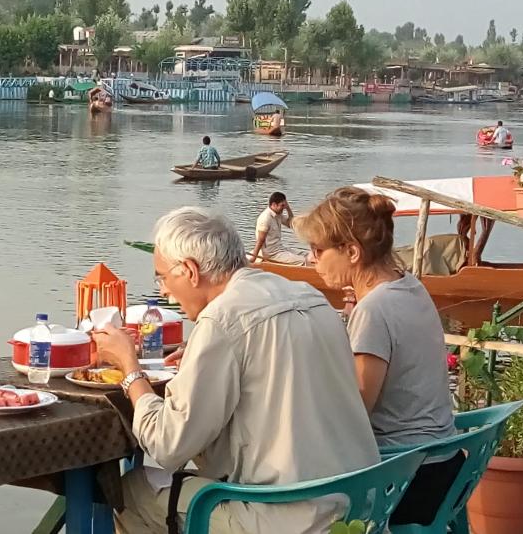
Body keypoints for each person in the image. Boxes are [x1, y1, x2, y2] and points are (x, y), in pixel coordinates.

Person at [93, 206, 379, 534]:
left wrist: (130, 367)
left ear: (189, 270)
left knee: (129, 491)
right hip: (359, 504)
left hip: (289, 517)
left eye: (162, 277)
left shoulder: (222, 320)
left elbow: (168, 445)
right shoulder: (308, 296)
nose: (163, 291)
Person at [293, 187, 459, 527]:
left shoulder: (374, 309)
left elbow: (355, 411)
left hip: (404, 478)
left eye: (317, 250)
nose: (312, 259)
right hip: (442, 464)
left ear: (351, 251)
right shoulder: (410, 286)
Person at [251, 192, 311, 265]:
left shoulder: (278, 214)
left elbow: (291, 224)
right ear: (274, 205)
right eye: (282, 205)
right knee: (304, 261)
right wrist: (254, 258)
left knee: (308, 255)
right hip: (272, 254)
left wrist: (288, 208)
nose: (284, 208)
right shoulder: (265, 218)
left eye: (285, 205)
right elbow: (260, 240)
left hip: (280, 249)